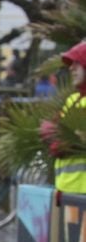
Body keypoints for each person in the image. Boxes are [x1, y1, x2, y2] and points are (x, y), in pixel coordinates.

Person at [49, 41, 86, 194]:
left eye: (77, 63)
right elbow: (55, 135)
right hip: (65, 191)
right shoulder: (72, 100)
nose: (71, 68)